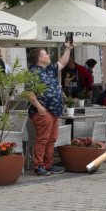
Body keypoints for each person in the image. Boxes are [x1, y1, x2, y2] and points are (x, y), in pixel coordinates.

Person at [26, 43, 71, 175]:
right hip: (42, 111)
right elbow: (28, 92)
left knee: (51, 139)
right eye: (46, 53)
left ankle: (48, 164)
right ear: (40, 59)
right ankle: (39, 166)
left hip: (54, 111)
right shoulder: (33, 72)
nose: (48, 55)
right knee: (42, 139)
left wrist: (68, 49)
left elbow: (62, 62)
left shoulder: (50, 69)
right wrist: (39, 108)